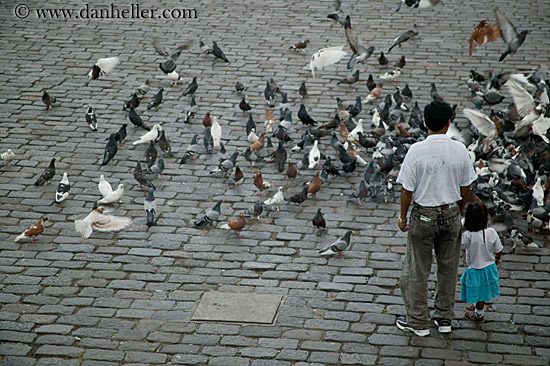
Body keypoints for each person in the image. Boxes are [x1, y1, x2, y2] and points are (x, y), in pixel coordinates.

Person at [395, 100, 477, 336]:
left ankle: (418, 322)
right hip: (450, 213)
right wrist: (458, 210)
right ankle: (444, 318)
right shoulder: (460, 149)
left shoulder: (417, 151)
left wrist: (403, 217)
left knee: (417, 269)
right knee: (448, 267)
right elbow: (467, 186)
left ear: (424, 123)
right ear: (448, 122)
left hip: (424, 217)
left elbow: (407, 191)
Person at [460, 202, 502, 323]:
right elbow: (499, 249)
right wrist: (497, 259)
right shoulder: (492, 232)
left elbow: (461, 244)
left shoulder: (467, 235)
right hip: (489, 267)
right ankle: (477, 308)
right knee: (482, 292)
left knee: (479, 295)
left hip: (475, 268)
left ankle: (479, 315)